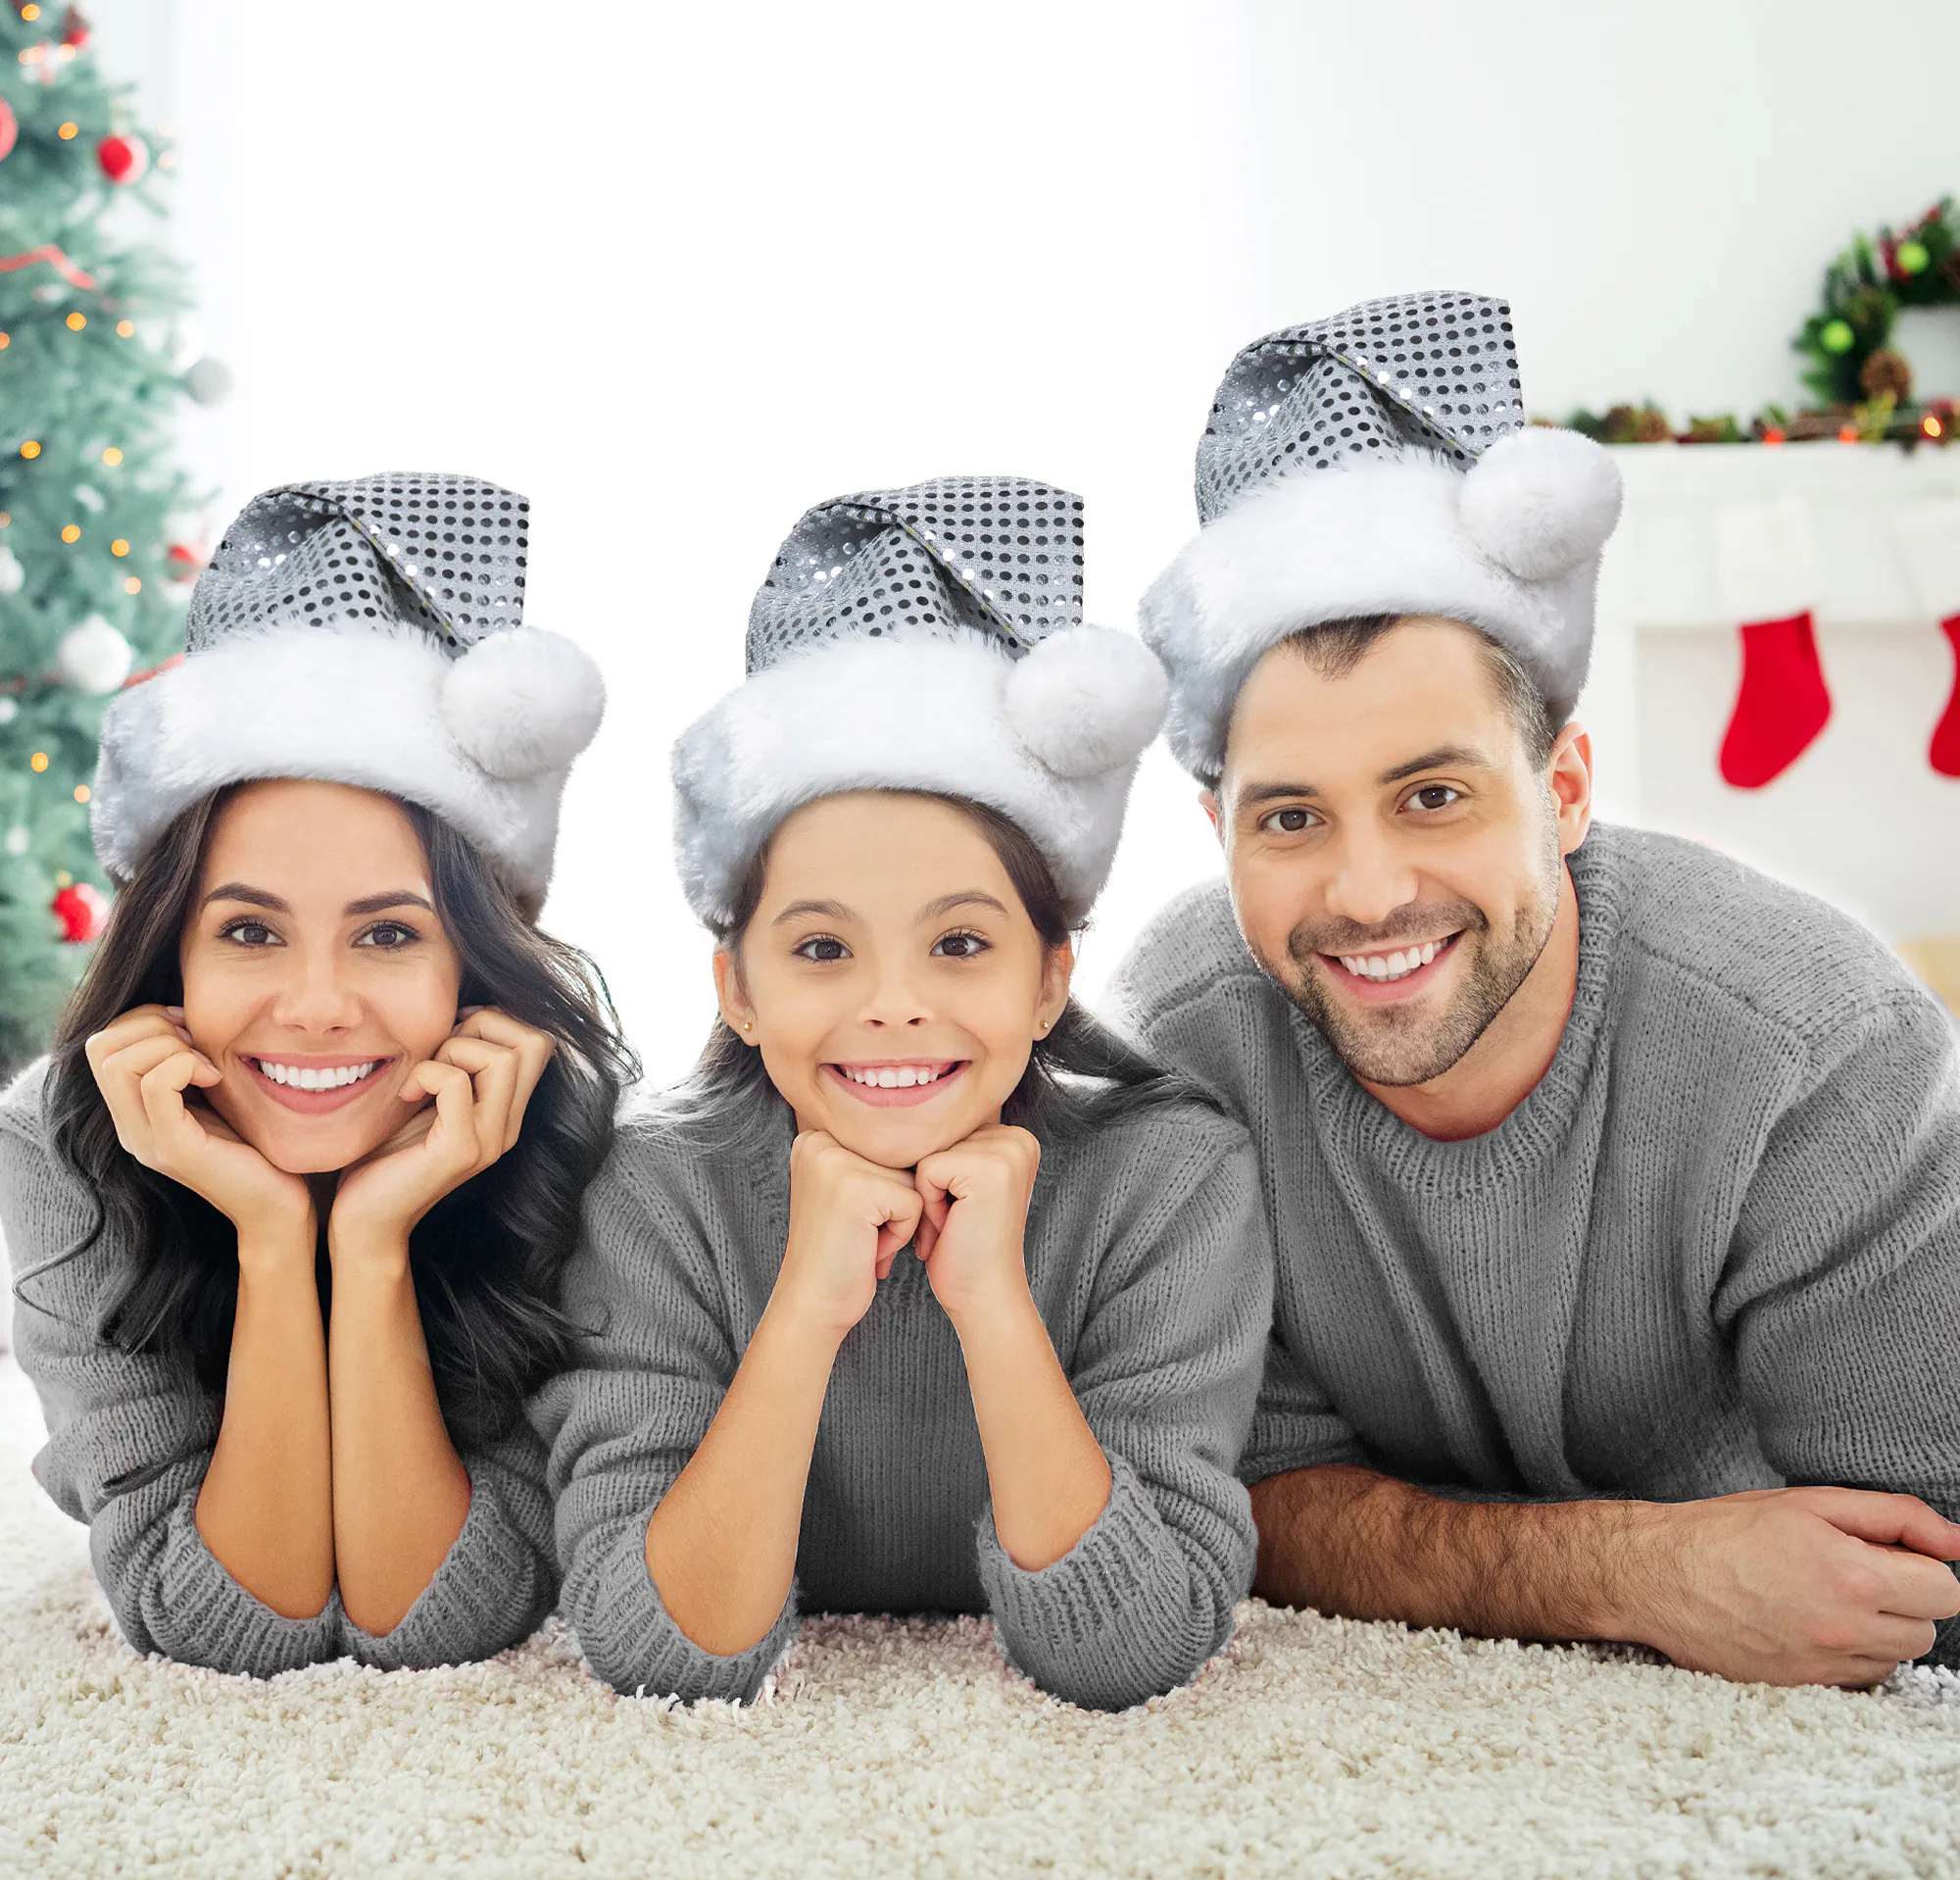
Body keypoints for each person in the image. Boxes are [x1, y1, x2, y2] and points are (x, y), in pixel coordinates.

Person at [1110, 292, 1960, 1686]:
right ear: (1218, 834)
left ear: (1562, 789)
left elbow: (1912, 1578)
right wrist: (1636, 1571)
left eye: (1432, 795)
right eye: (1291, 818)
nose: (1365, 893)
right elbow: (1221, 1495)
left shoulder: (1821, 1049)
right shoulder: (1183, 1041)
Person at [532, 476, 1271, 1710]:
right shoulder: (655, 1187)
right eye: (822, 948)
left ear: (1049, 978)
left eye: (960, 943)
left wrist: (992, 1303)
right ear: (738, 986)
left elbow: (1132, 1650)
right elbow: (663, 1654)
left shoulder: (1170, 1177)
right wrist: (802, 1312)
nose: (891, 1005)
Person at [0, 473, 635, 1677]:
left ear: (473, 967)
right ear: (172, 955)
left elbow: (435, 1612)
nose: (315, 1005)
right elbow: (227, 1615)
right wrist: (272, 1235)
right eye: (249, 930)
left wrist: (374, 1240)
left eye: (388, 933)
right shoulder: (64, 1133)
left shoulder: (568, 1127)